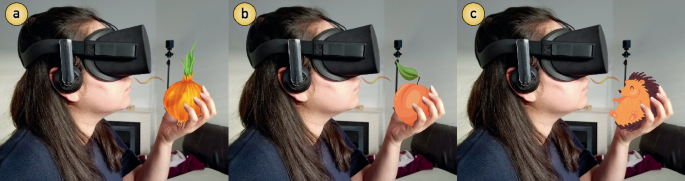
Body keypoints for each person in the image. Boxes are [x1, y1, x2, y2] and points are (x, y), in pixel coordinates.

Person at [228, 6, 445, 180]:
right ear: (295, 81)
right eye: (335, 63)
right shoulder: (253, 168)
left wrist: (393, 139)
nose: (356, 75)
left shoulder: (329, 131)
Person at [456, 6, 673, 181]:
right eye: (563, 63)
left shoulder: (559, 132)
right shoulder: (479, 168)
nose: (584, 75)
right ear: (523, 81)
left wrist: (622, 141)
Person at [0, 6, 216, 181]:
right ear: (66, 81)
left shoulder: (101, 132)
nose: (127, 76)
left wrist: (164, 140)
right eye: (106, 64)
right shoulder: (21, 170)